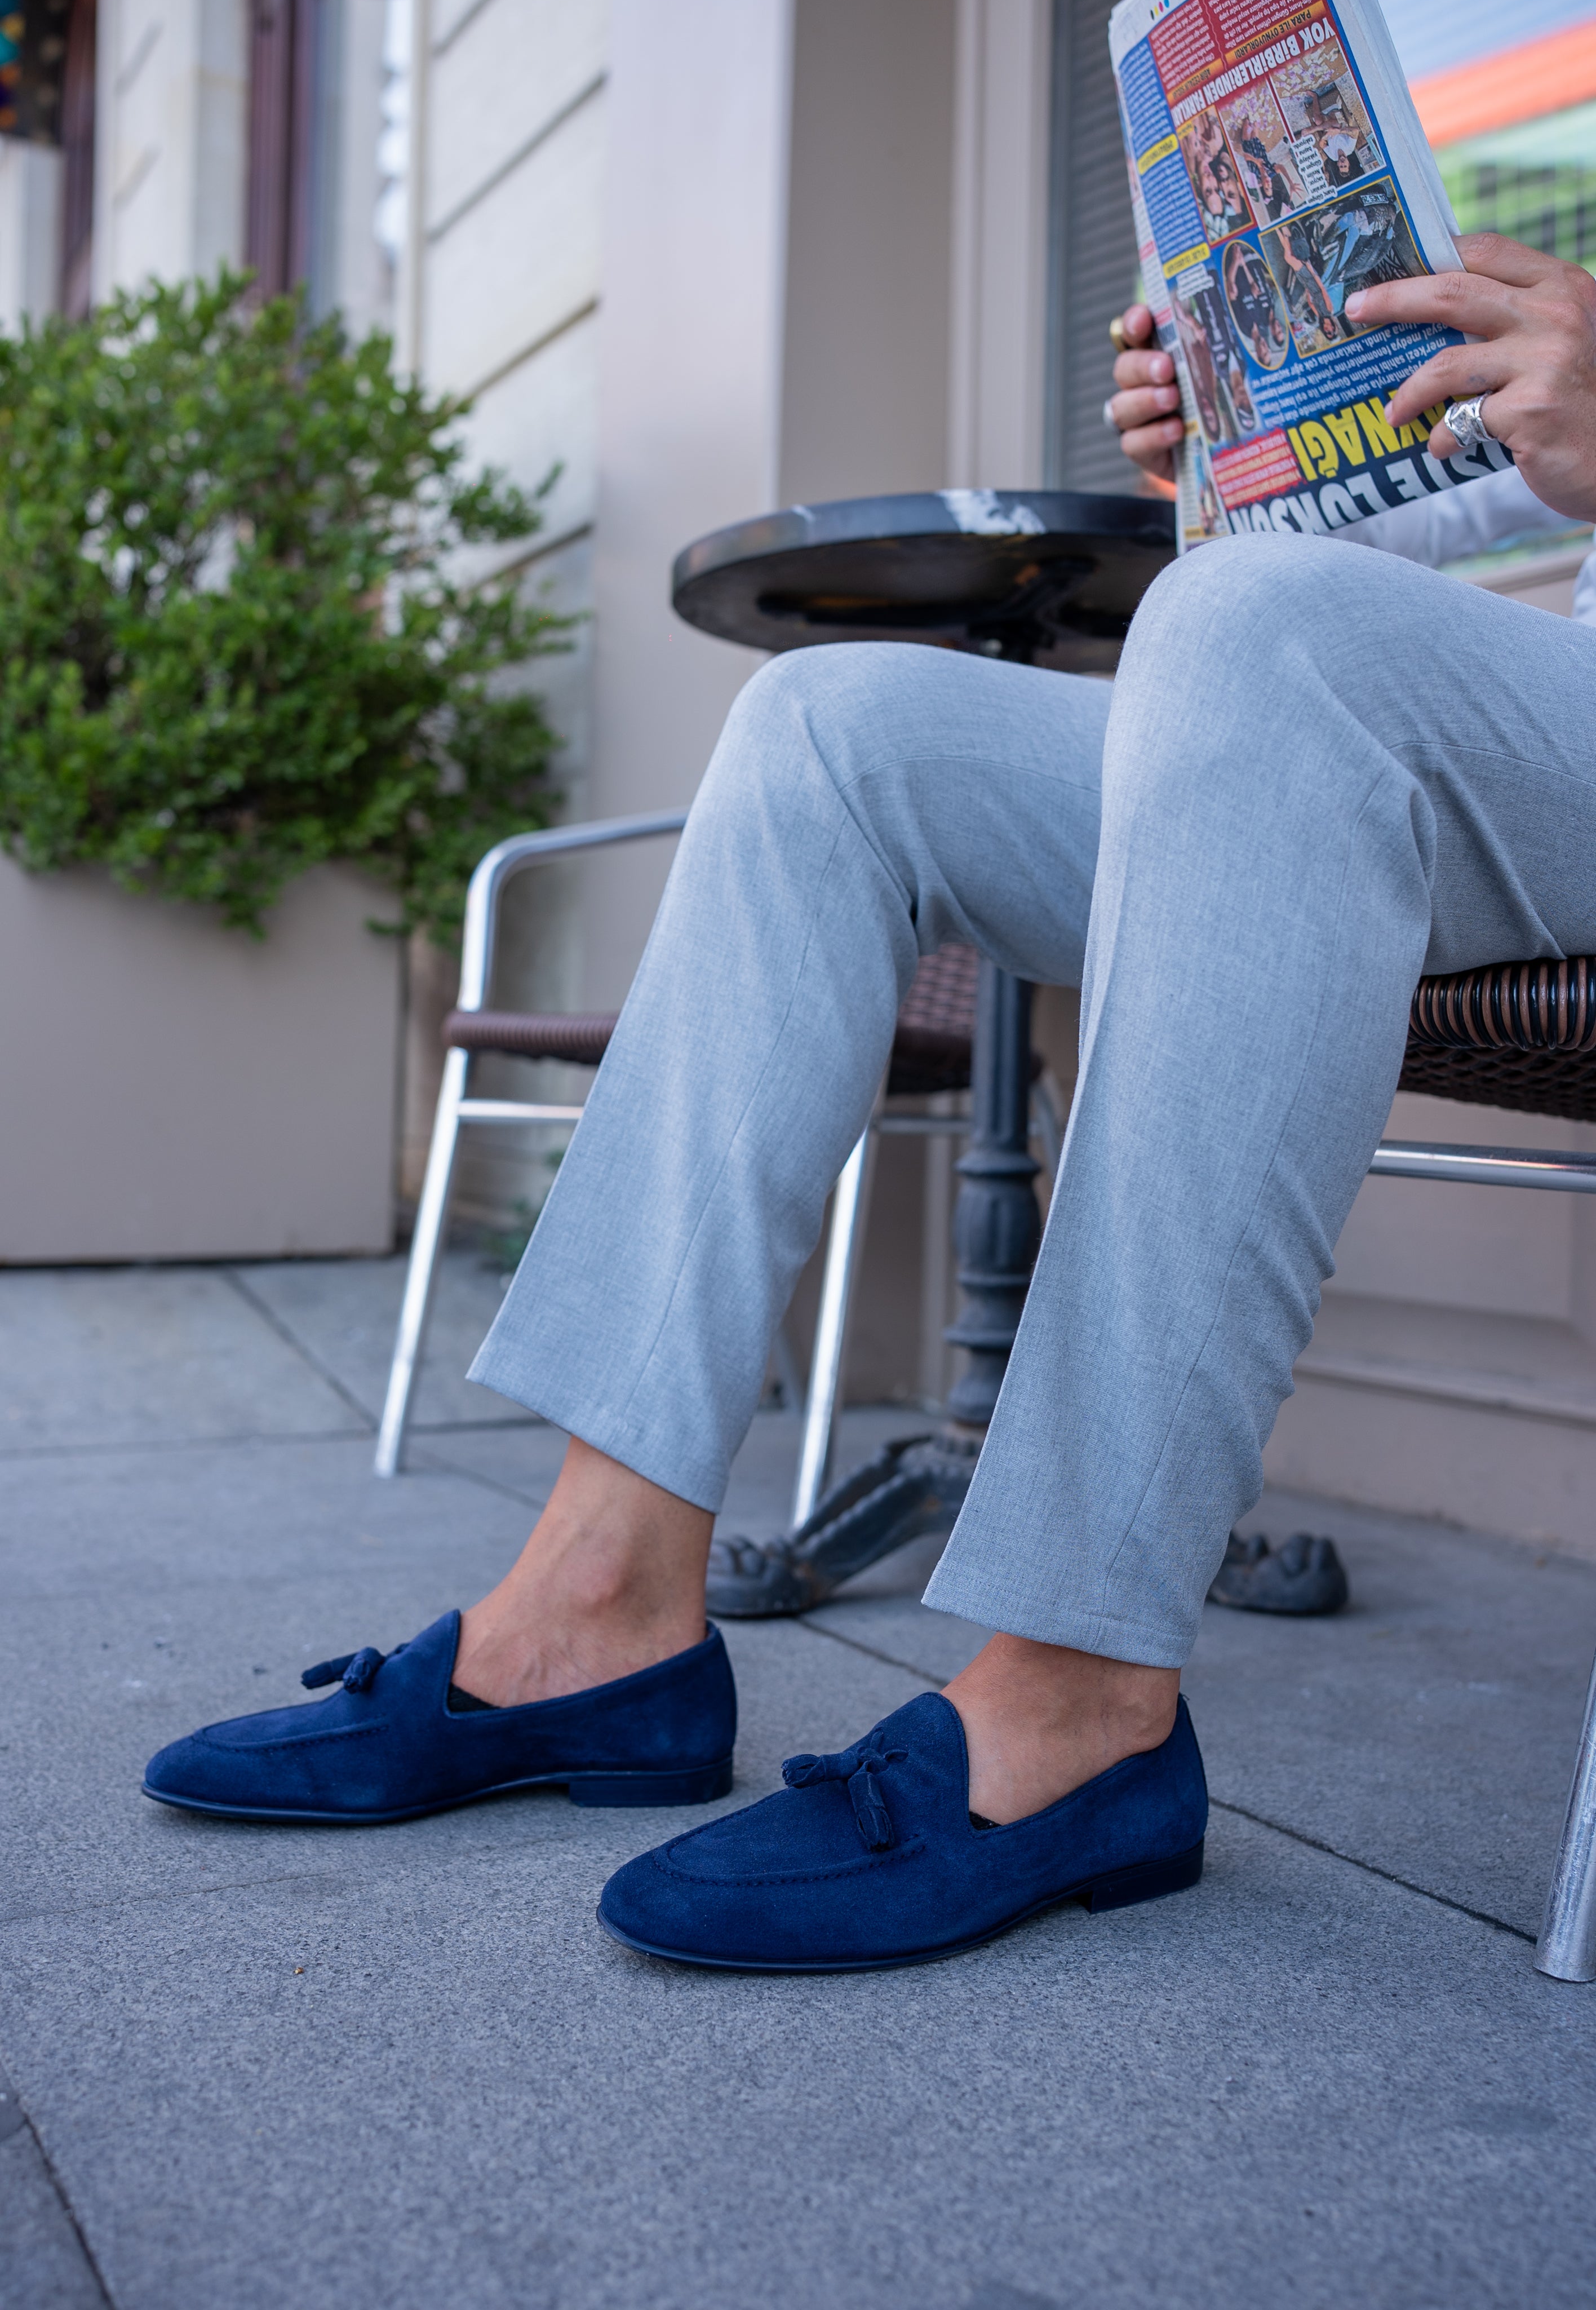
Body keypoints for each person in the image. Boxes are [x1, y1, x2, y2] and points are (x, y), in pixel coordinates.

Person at [144, 236, 1596, 1976]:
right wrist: (1257, 445)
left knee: (1252, 632)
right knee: (834, 725)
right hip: (1485, 717)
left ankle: (1078, 1691)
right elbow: (1410, 555)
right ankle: (599, 1608)